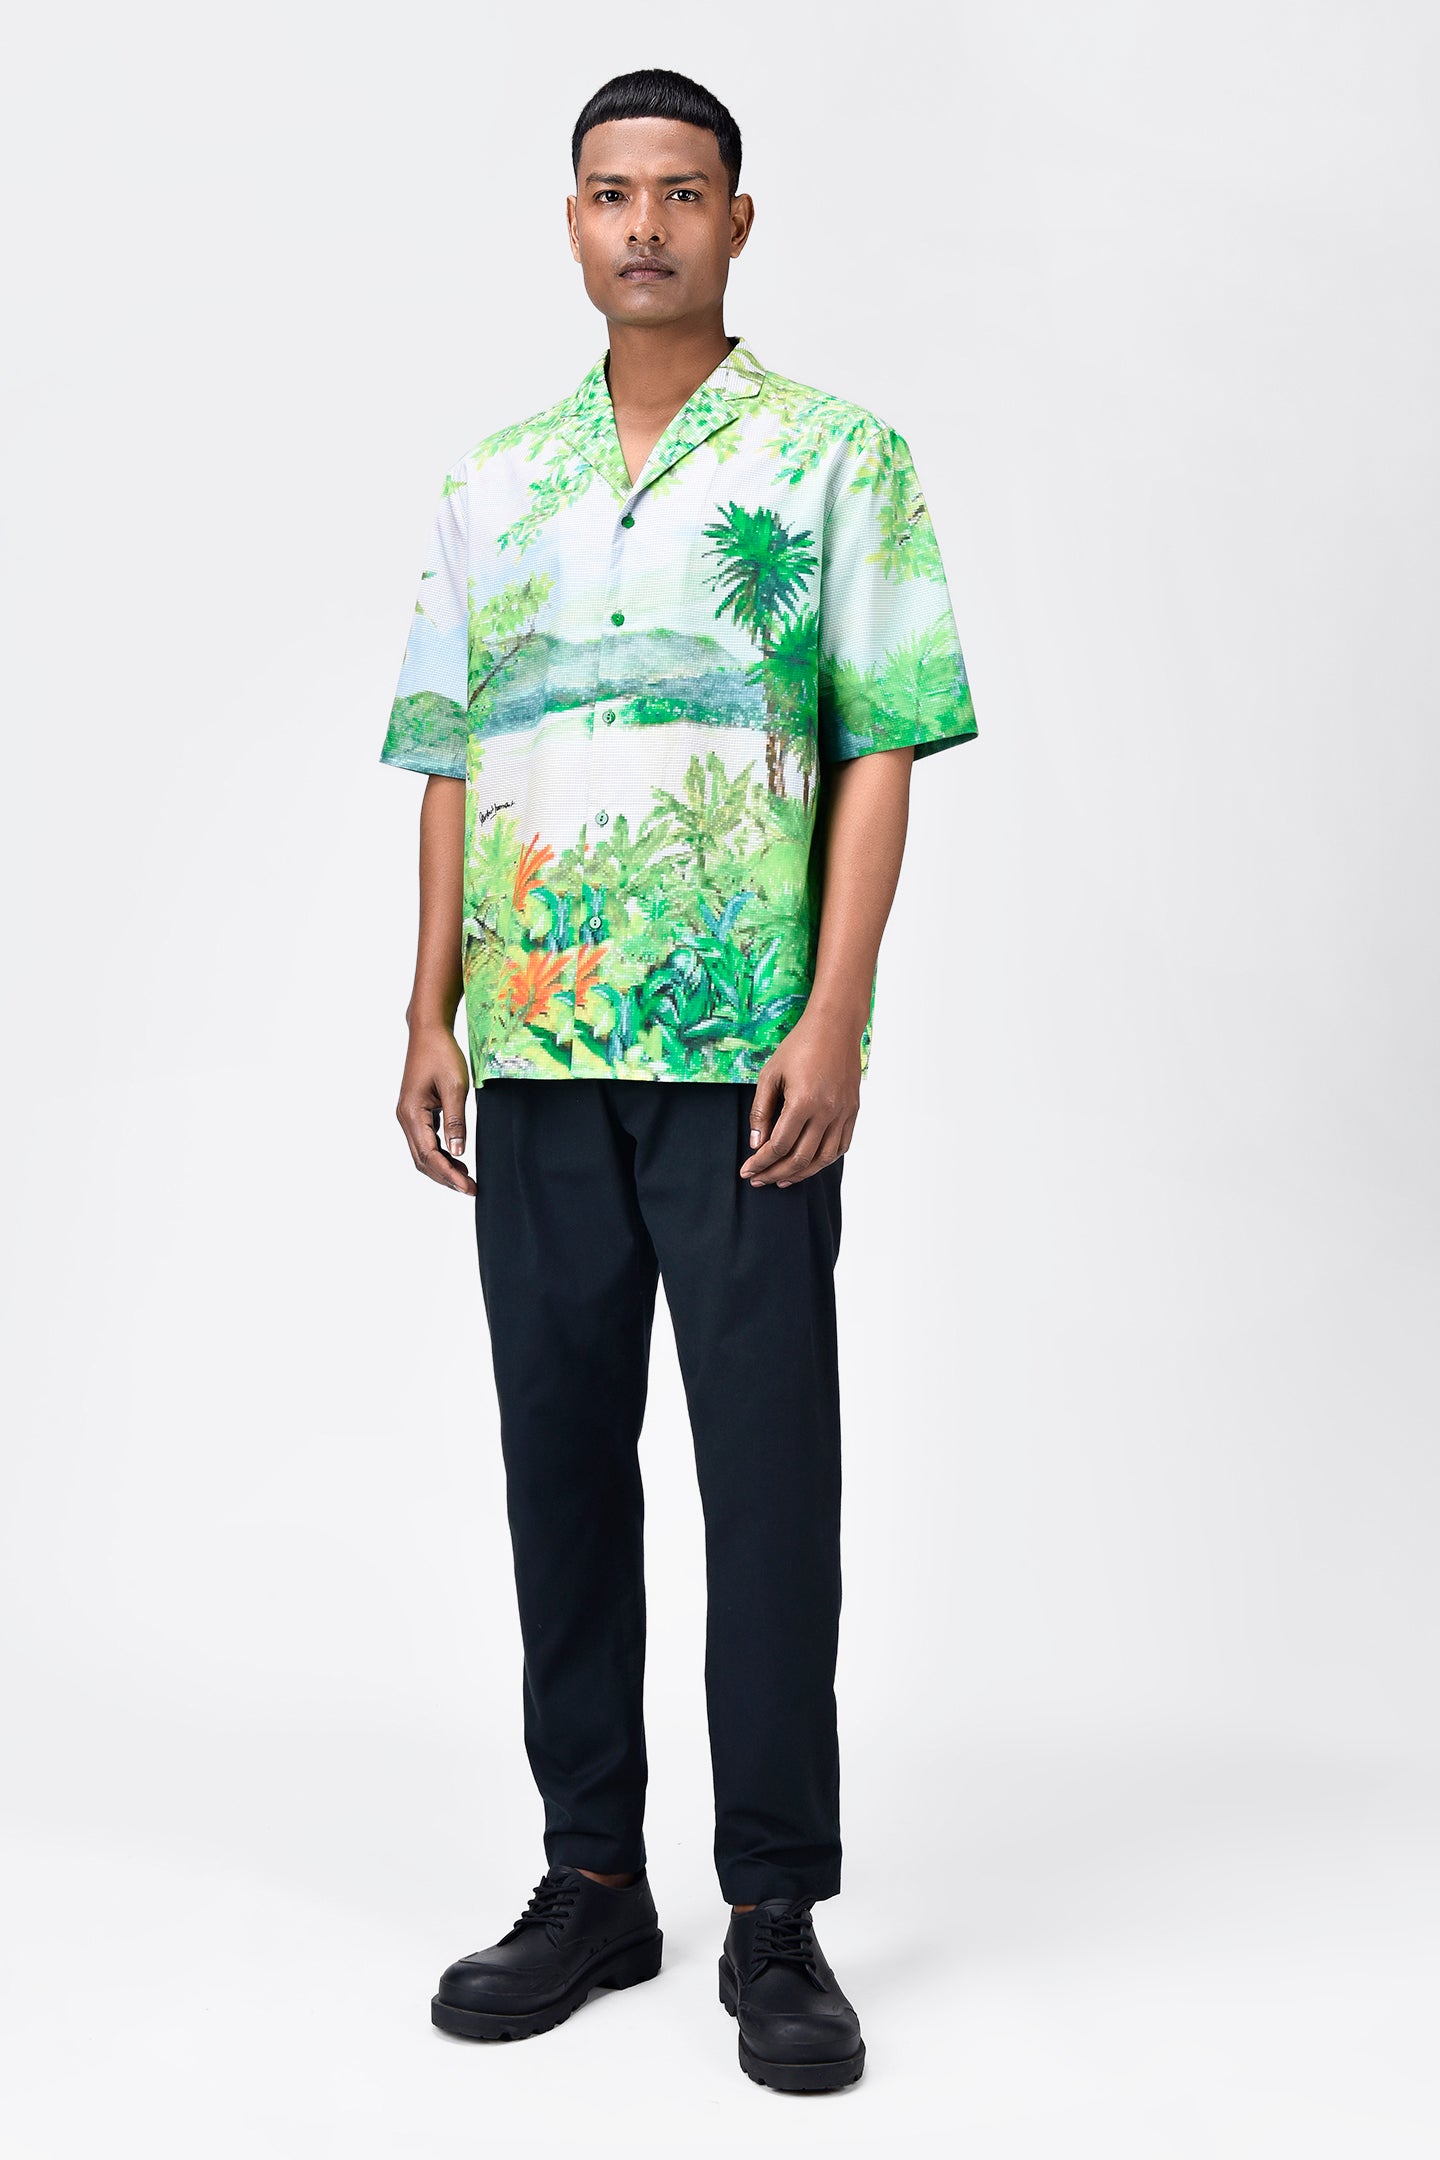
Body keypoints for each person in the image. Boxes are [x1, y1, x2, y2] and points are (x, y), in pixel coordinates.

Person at [382, 67, 977, 2093]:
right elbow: (451, 753)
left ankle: (776, 1911)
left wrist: (834, 1015)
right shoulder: (494, 481)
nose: (645, 224)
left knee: (769, 1482)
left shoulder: (836, 460)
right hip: (539, 1047)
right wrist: (428, 1009)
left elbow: (883, 738)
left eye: (683, 192)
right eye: (611, 193)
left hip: (746, 1061)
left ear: (738, 219)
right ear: (571, 221)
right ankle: (592, 1882)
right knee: (559, 1467)